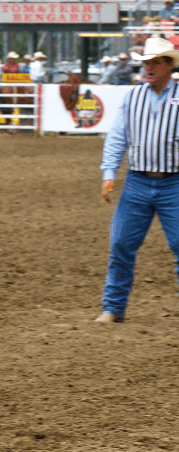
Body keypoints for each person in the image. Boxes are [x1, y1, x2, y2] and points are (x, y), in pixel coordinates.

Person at [97, 37, 179, 323]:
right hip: (138, 181)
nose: (149, 68)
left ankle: (113, 307)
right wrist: (109, 173)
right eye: (146, 63)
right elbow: (117, 137)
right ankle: (113, 308)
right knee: (120, 244)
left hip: (175, 183)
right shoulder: (132, 97)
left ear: (169, 65)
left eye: (156, 62)